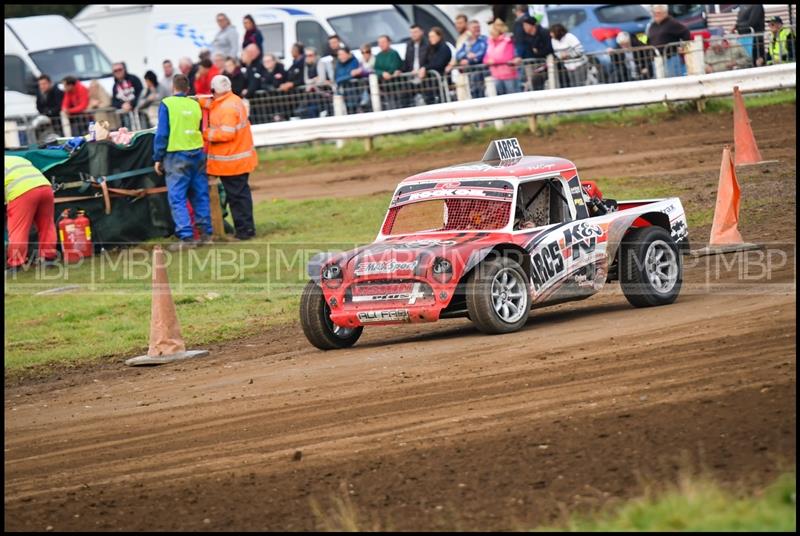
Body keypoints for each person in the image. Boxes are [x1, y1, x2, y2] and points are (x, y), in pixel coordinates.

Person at [153, 73, 213, 249]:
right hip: (197, 153)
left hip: (176, 155)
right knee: (200, 194)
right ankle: (206, 234)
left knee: (177, 197)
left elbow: (162, 133)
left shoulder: (167, 104)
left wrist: (158, 157)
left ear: (173, 88)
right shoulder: (194, 104)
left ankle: (186, 237)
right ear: (188, 89)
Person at [201, 75, 258, 241]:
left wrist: (205, 134)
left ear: (214, 91)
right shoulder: (232, 100)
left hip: (232, 161)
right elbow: (211, 103)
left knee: (237, 198)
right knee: (240, 196)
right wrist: (195, 100)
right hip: (236, 160)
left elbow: (226, 134)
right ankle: (246, 228)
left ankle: (244, 231)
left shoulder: (226, 108)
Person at [4, 155, 58, 272]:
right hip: (46, 188)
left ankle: (16, 264)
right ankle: (48, 260)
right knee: (47, 226)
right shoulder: (18, 158)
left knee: (18, 229)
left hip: (22, 192)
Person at [646, 5, 691, 78]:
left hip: (670, 58)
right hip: (656, 60)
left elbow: (685, 32)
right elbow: (648, 39)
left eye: (658, 13)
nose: (656, 15)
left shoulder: (672, 23)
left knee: (673, 79)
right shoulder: (652, 25)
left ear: (665, 13)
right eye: (654, 13)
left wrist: (683, 46)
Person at [484, 19, 521, 95]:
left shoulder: (508, 41)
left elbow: (508, 57)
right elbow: (485, 58)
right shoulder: (489, 43)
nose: (491, 34)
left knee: (513, 96)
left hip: (508, 75)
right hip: (496, 76)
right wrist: (488, 61)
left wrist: (493, 61)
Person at [455, 20, 488, 98]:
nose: (477, 29)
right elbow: (458, 54)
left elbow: (482, 53)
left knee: (481, 92)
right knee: (473, 92)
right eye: (475, 27)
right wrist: (466, 57)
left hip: (481, 72)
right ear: (469, 29)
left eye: (478, 27)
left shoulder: (484, 40)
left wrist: (469, 60)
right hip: (470, 73)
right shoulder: (466, 42)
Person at [520, 15, 553, 90]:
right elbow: (530, 51)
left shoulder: (544, 33)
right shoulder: (527, 37)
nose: (524, 27)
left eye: (525, 25)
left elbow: (549, 48)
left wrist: (538, 52)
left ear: (531, 25)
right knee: (531, 81)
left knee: (536, 79)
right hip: (535, 64)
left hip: (547, 63)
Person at [550, 23, 587, 88]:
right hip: (568, 66)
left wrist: (568, 55)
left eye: (552, 32)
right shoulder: (553, 40)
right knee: (573, 86)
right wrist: (561, 56)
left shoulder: (569, 36)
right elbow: (557, 53)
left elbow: (580, 50)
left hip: (579, 65)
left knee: (580, 86)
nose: (550, 34)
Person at [111, 62, 143, 129]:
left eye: (120, 69)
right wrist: (122, 104)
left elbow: (141, 93)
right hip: (125, 117)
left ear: (124, 69)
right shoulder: (115, 86)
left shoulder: (134, 79)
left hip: (139, 112)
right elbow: (114, 101)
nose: (118, 72)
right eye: (115, 71)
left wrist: (131, 104)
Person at [334, 46, 363, 113]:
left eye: (342, 54)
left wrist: (345, 77)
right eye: (339, 55)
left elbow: (352, 75)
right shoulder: (338, 64)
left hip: (355, 93)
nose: (340, 56)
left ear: (348, 54)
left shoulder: (354, 61)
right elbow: (337, 78)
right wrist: (348, 76)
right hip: (344, 94)